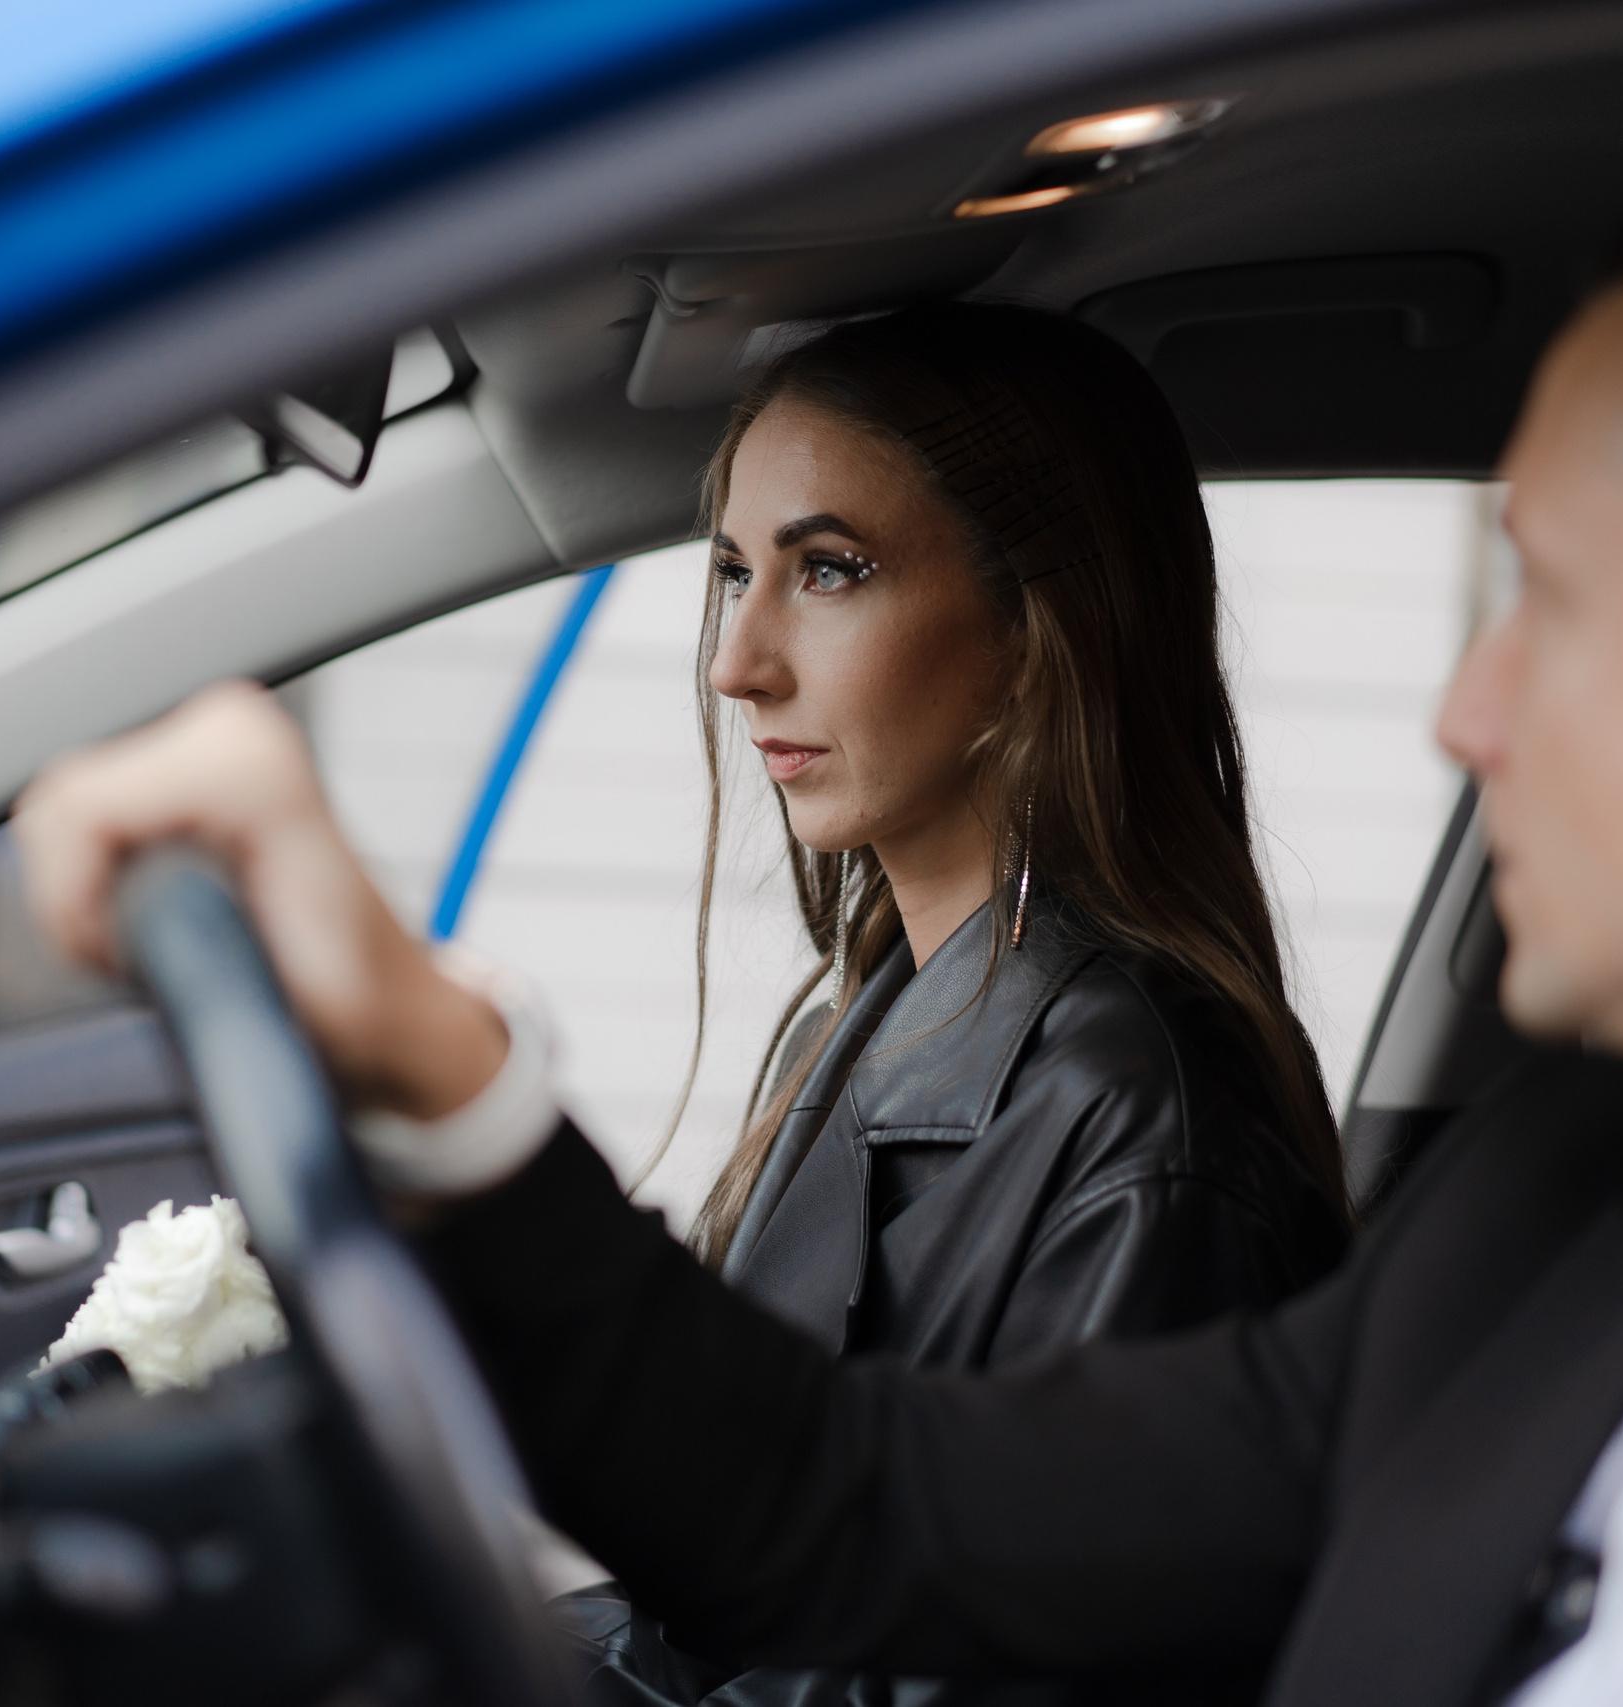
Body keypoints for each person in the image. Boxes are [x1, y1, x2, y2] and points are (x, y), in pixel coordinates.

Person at [16, 148, 1623, 1707]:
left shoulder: (1147, 1117)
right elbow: (841, 1496)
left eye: (1546, 602)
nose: (1458, 717)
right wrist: (435, 1079)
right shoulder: (1526, 1243)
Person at [571, 303, 1350, 1707]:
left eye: (832, 571)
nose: (736, 661)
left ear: (1035, 623)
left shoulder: (1140, 1131)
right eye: (737, 572)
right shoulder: (859, 1019)